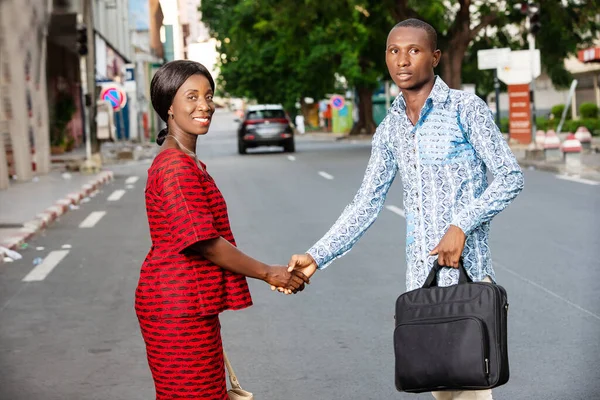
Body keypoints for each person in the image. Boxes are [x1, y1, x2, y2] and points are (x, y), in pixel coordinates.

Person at [286, 19, 524, 400]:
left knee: (471, 390)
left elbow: (511, 176)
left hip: (468, 279)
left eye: (413, 50)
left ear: (435, 57)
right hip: (420, 286)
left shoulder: (465, 109)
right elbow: (366, 202)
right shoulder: (390, 127)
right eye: (394, 51)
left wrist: (461, 225)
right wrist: (316, 256)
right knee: (439, 389)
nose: (402, 60)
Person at [136, 60, 309, 400]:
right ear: (168, 106)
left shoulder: (184, 160)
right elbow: (204, 242)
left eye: (209, 95)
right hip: (176, 306)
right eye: (192, 96)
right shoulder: (174, 167)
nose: (205, 105)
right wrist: (269, 272)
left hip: (187, 303)